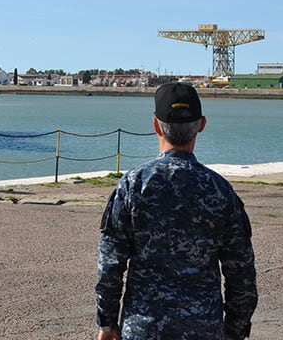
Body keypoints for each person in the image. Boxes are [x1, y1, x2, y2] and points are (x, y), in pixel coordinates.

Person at [95, 82, 258, 340]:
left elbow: (111, 263)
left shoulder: (133, 185)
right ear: (202, 125)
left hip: (143, 328)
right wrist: (236, 329)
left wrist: (107, 321)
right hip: (203, 328)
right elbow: (241, 271)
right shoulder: (220, 190)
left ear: (155, 125)